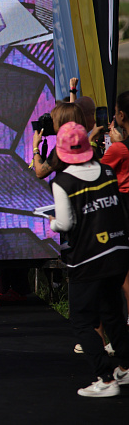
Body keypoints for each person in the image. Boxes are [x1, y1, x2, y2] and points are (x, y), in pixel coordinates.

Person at [48, 122, 129, 397]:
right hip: (119, 251)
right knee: (113, 311)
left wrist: (52, 224)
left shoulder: (62, 181)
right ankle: (126, 367)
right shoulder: (107, 170)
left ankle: (105, 378)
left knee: (82, 320)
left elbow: (66, 222)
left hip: (87, 259)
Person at [100, 90, 129, 325]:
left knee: (124, 276)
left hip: (122, 210)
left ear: (120, 115)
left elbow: (96, 172)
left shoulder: (119, 149)